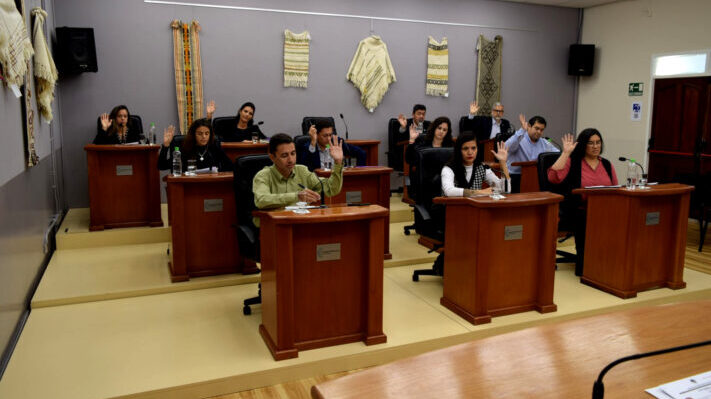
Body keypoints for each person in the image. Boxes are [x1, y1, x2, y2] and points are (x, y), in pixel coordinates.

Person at [547, 128, 618, 276]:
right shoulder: (573, 162)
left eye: (598, 142)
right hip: (578, 210)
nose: (595, 146)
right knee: (587, 220)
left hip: (604, 210)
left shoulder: (606, 164)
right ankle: (587, 266)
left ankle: (610, 263)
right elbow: (553, 177)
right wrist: (566, 153)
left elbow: (616, 188)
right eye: (591, 143)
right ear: (583, 145)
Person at [253, 133, 344, 226]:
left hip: (300, 225)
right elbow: (261, 200)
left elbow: (331, 188)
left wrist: (338, 163)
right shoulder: (263, 175)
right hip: (272, 227)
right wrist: (296, 196)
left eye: (293, 153)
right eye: (284, 156)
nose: (291, 160)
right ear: (272, 157)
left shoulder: (302, 171)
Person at [441, 131, 511, 197]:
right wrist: (480, 192)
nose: (470, 152)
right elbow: (449, 191)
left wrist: (502, 162)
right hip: (452, 208)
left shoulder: (481, 168)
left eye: (473, 148)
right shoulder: (449, 169)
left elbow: (505, 190)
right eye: (465, 148)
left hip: (474, 209)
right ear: (459, 150)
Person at [505, 114, 559, 192]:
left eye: (541, 130)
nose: (539, 132)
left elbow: (556, 154)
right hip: (516, 176)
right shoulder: (519, 138)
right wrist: (522, 130)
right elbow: (507, 147)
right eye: (537, 128)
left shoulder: (544, 142)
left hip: (535, 177)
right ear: (529, 126)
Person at [158, 118, 233, 172]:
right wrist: (165, 146)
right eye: (200, 134)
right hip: (188, 187)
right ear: (193, 134)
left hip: (212, 186)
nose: (204, 137)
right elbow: (162, 166)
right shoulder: (184, 148)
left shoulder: (214, 146)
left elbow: (230, 166)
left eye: (207, 133)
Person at [298, 119, 366, 171]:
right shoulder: (310, 147)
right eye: (325, 135)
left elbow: (361, 153)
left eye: (330, 135)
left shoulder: (336, 142)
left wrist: (359, 171)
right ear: (317, 135)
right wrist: (313, 143)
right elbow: (303, 167)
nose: (328, 139)